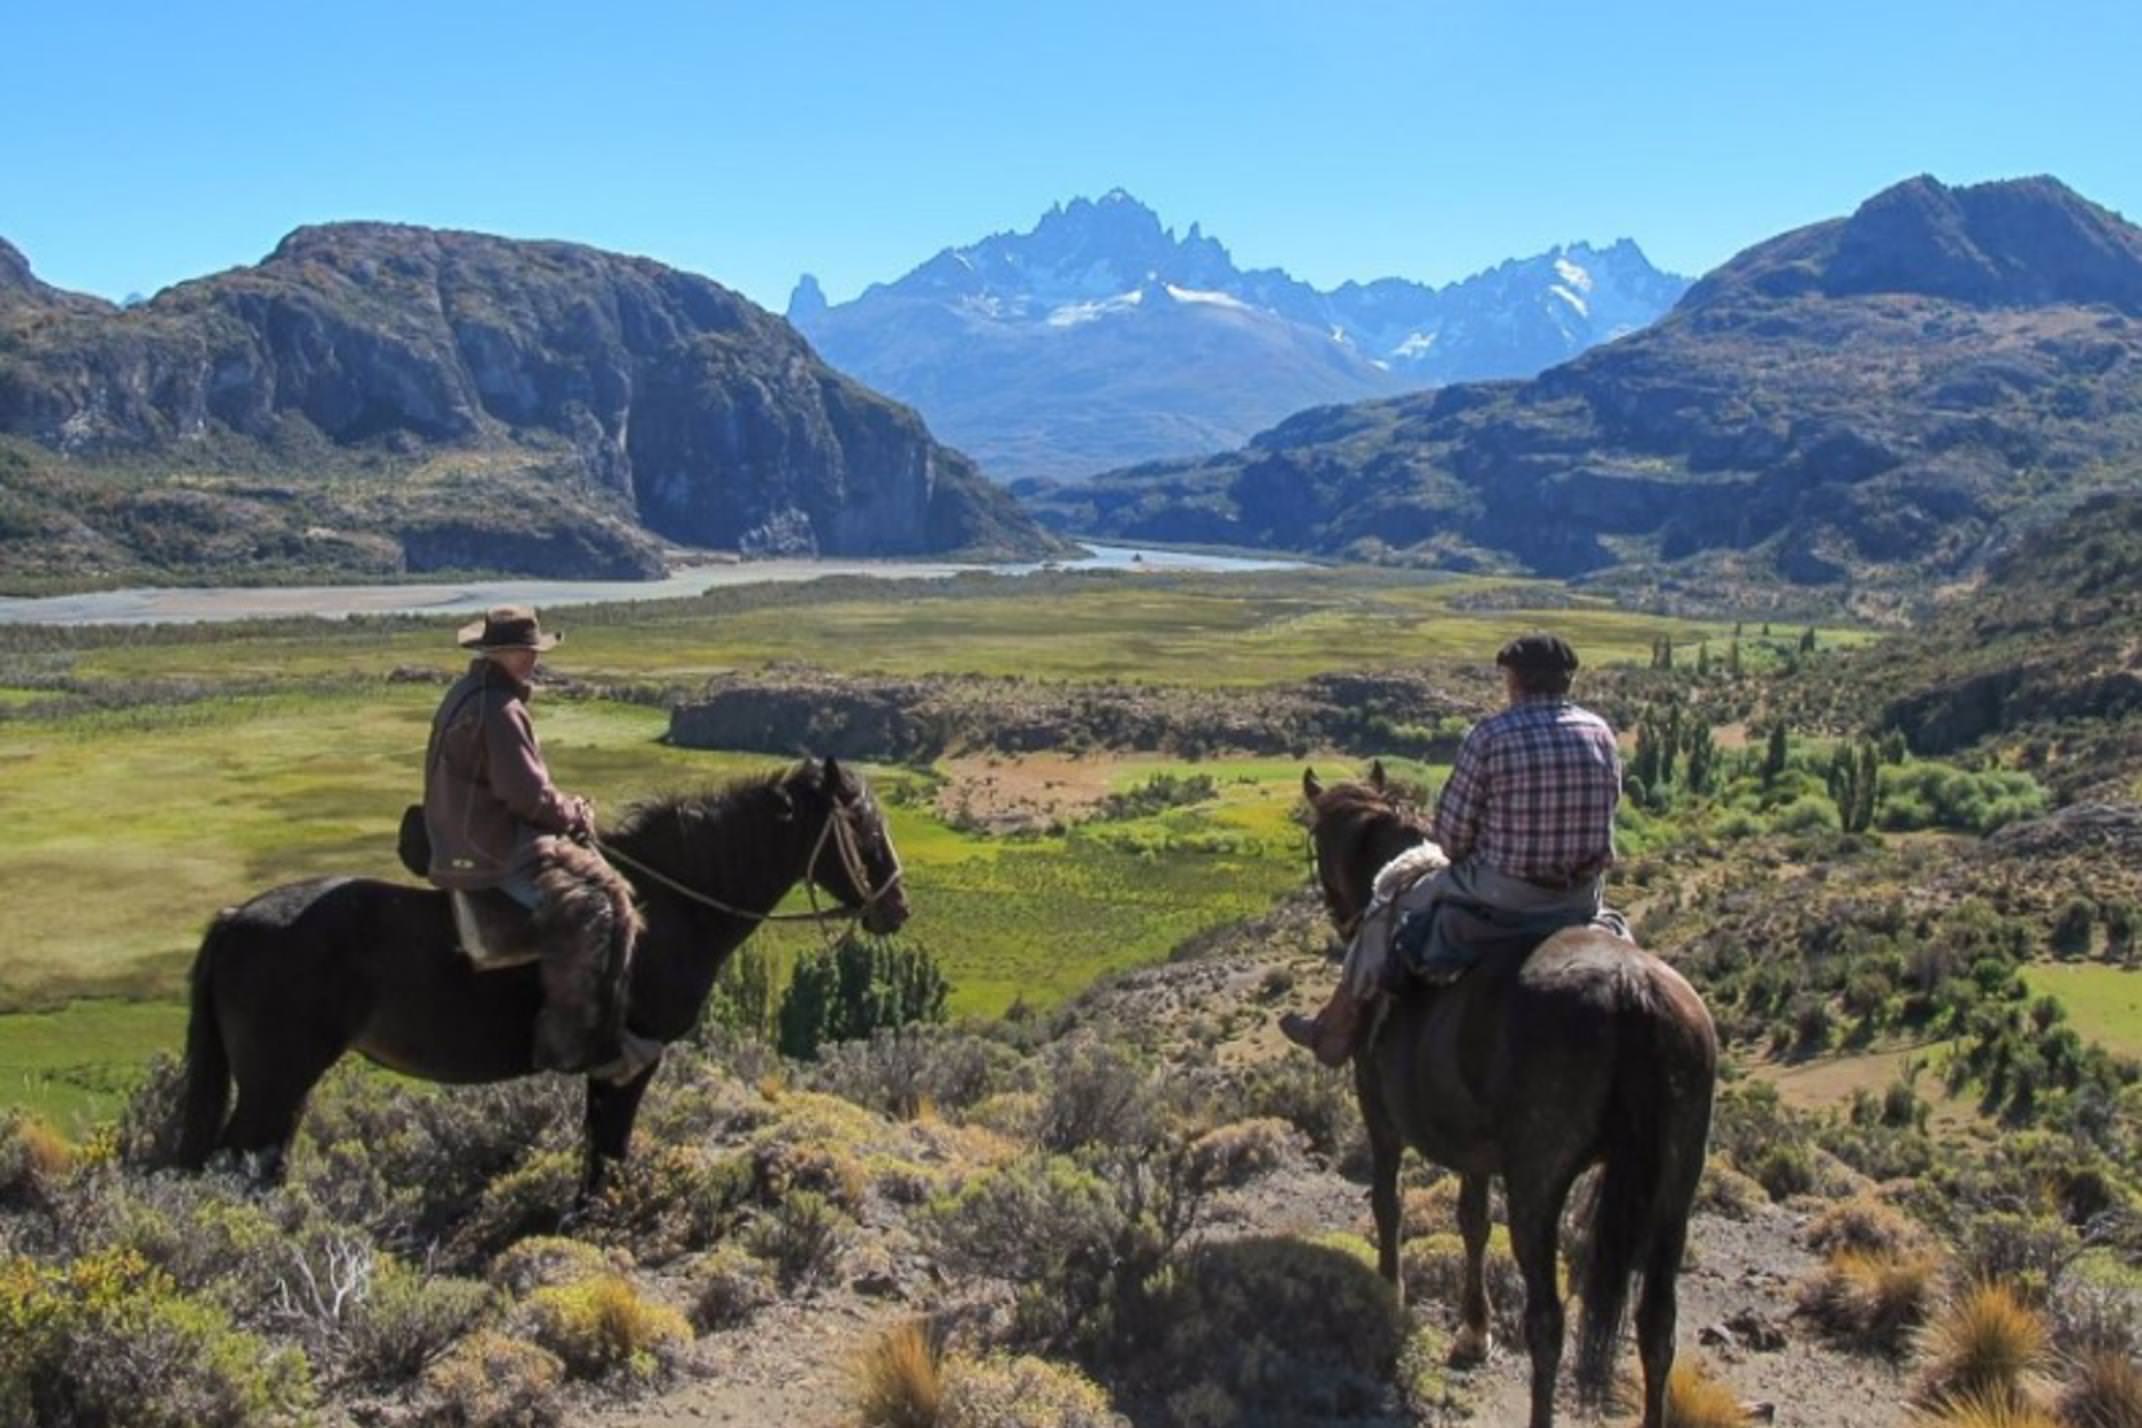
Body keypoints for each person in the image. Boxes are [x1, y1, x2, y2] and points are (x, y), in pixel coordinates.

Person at [1281, 633, 1624, 1067]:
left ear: (1515, 680)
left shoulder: (1492, 736)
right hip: (1581, 898)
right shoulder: (1601, 734)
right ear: (1566, 682)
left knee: (1386, 903)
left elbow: (1450, 837)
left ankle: (1334, 1032)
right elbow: (1608, 810)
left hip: (1502, 896)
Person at [423, 605, 658, 1082]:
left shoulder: (468, 693)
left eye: (532, 651)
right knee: (599, 909)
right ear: (498, 652)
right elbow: (525, 795)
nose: (531, 659)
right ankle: (576, 1044)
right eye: (522, 651)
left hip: (460, 837)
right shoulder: (500, 708)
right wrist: (576, 812)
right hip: (493, 849)